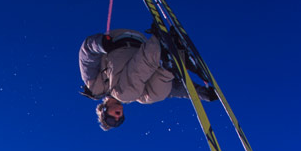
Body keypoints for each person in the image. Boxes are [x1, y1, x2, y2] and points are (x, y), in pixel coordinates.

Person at [79, 28, 216, 131]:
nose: (117, 117)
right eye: (119, 121)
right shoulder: (137, 93)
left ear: (103, 111)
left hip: (120, 42)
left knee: (125, 95)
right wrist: (203, 93)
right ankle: (172, 62)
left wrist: (101, 44)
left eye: (112, 120)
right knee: (149, 97)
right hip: (144, 49)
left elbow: (86, 55)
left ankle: (161, 48)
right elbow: (173, 90)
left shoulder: (95, 88)